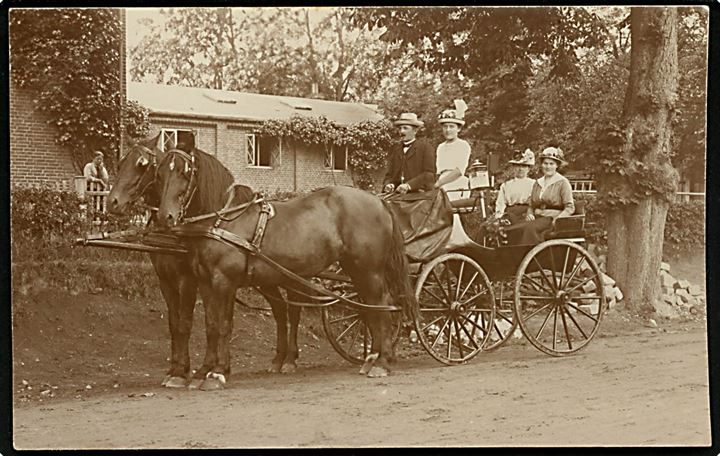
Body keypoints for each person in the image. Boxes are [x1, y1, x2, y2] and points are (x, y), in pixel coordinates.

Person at [517, 147, 575, 245]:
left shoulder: (562, 183)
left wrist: (557, 220)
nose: (548, 167)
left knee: (529, 229)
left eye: (551, 164)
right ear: (541, 165)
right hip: (537, 217)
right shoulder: (537, 183)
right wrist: (530, 214)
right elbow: (531, 205)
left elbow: (570, 207)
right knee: (518, 227)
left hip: (551, 220)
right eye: (545, 163)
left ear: (557, 165)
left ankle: (530, 256)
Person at [383, 113, 436, 194]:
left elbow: (429, 175)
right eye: (400, 128)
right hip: (398, 194)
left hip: (419, 194)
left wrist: (409, 185)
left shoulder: (425, 148)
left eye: (405, 128)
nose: (401, 131)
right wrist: (389, 184)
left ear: (415, 131)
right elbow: (389, 175)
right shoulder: (396, 149)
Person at [434, 100, 471, 202]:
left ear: (458, 129)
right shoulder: (440, 147)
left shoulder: (463, 145)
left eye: (451, 127)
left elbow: (458, 171)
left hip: (456, 183)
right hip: (441, 184)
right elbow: (438, 171)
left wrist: (439, 183)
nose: (448, 130)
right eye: (445, 127)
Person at [494, 149, 535, 224]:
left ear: (529, 169)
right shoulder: (506, 185)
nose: (520, 169)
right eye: (518, 166)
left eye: (524, 166)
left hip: (526, 213)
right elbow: (500, 204)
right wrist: (499, 217)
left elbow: (535, 202)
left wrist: (531, 213)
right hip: (510, 213)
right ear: (513, 167)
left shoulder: (533, 184)